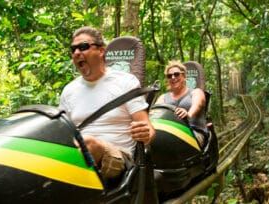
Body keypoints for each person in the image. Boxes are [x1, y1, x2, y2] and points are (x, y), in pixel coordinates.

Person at [59, 26, 155, 179]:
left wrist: (145, 133)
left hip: (118, 156)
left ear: (101, 51)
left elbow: (148, 128)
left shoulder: (125, 82)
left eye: (83, 47)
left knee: (89, 143)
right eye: (73, 49)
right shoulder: (69, 90)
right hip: (80, 153)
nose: (77, 53)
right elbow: (63, 133)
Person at [156, 60, 207, 147]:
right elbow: (155, 112)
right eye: (169, 76)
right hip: (168, 133)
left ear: (183, 76)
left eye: (176, 74)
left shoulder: (196, 92)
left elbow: (197, 104)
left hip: (193, 132)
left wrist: (188, 114)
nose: (173, 77)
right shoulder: (163, 97)